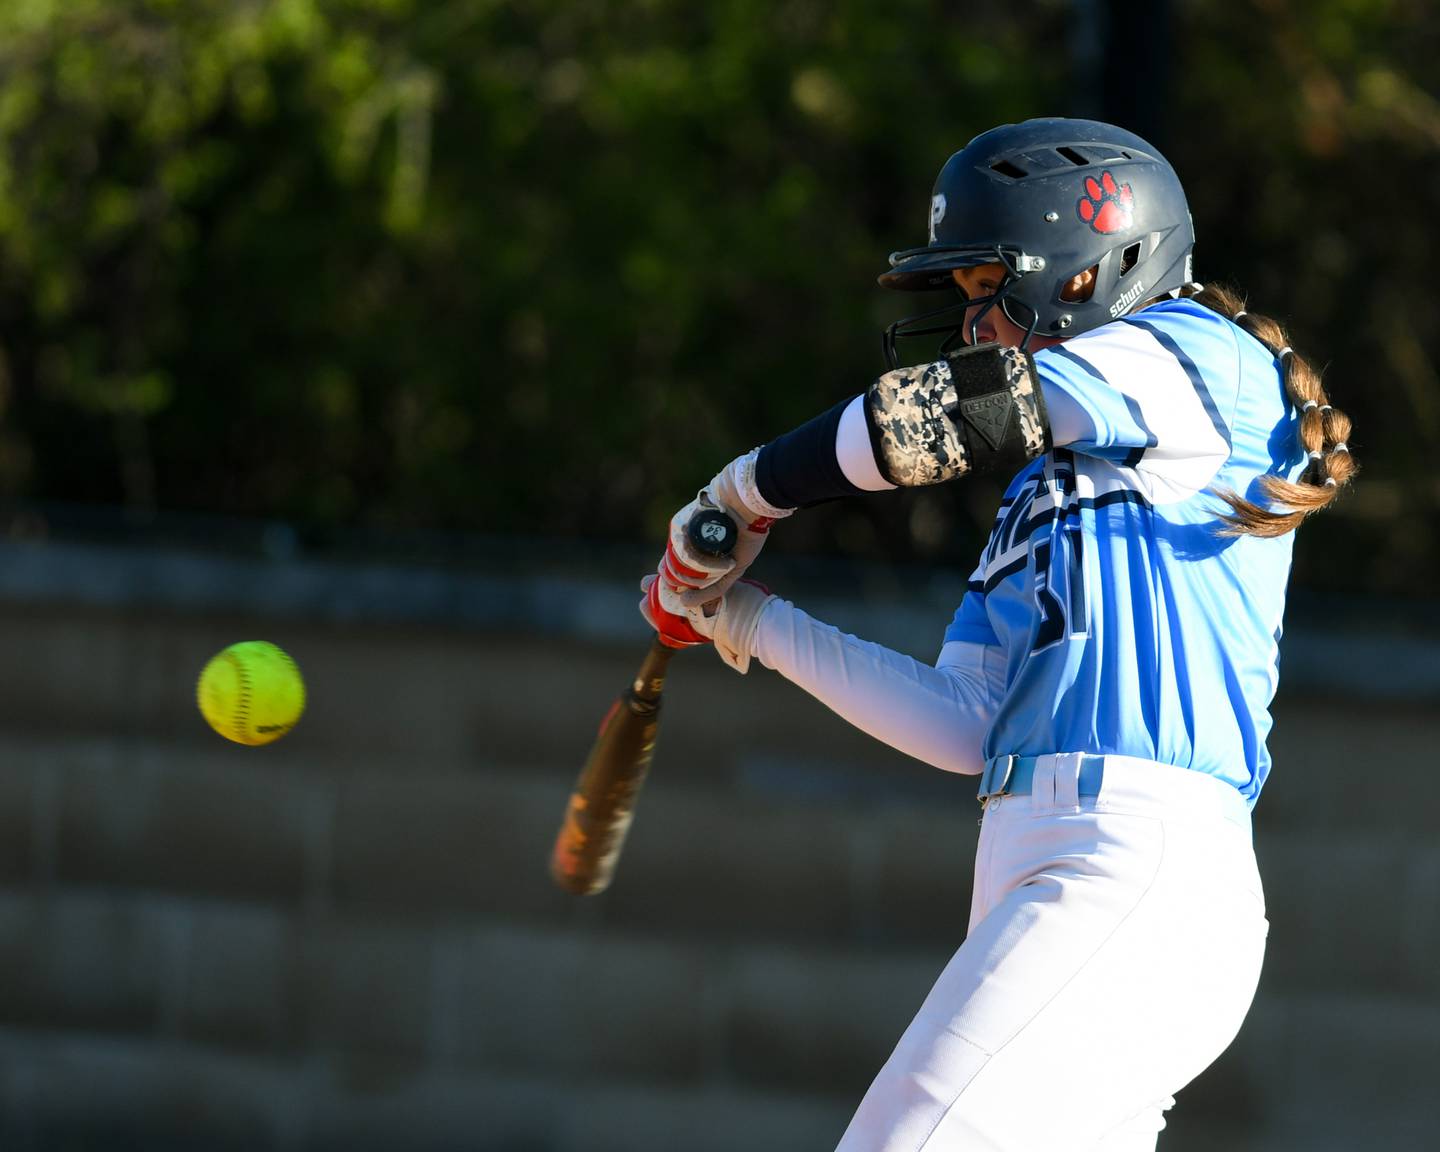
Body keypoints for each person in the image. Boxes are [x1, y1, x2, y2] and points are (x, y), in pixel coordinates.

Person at [639, 117, 1356, 1151]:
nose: (974, 324)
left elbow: (938, 418)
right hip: (1051, 863)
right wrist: (743, 617)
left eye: (988, 288)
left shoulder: (1200, 356)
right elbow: (968, 722)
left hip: (1132, 862)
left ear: (1089, 270)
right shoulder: (1055, 484)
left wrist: (746, 492)